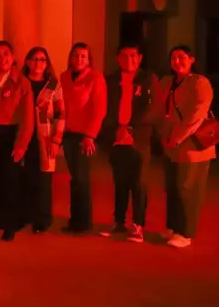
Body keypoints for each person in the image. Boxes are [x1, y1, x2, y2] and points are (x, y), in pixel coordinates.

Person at [100, 43, 159, 243]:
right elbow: (104, 107)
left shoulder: (148, 79)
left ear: (140, 57)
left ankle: (138, 225)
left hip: (138, 139)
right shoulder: (110, 80)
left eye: (133, 55)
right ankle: (118, 222)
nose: (129, 59)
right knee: (120, 182)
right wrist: (116, 130)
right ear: (118, 59)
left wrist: (130, 128)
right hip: (117, 138)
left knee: (139, 182)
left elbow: (153, 108)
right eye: (124, 56)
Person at [159, 46, 214, 248]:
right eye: (173, 58)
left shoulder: (199, 82)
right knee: (172, 188)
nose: (177, 61)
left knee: (189, 190)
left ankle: (185, 232)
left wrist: (178, 137)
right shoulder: (168, 81)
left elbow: (197, 114)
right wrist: (165, 137)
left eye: (181, 57)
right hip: (171, 144)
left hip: (193, 147)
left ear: (192, 59)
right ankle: (173, 227)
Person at [0, 41, 33, 241]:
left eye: (6, 54)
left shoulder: (21, 82)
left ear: (12, 57)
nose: (2, 59)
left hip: (10, 136)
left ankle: (9, 225)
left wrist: (21, 145)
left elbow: (28, 119)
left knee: (9, 182)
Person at [60, 42, 107, 235]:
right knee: (75, 178)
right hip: (68, 133)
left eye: (83, 56)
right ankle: (75, 220)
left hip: (85, 135)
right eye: (76, 55)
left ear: (89, 60)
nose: (79, 59)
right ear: (70, 57)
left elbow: (99, 109)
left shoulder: (96, 78)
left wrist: (90, 135)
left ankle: (83, 223)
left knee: (82, 179)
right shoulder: (64, 77)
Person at [20, 47, 65, 234]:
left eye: (42, 60)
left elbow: (61, 114)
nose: (38, 63)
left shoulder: (54, 85)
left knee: (43, 180)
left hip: (45, 138)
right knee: (24, 177)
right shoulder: (20, 83)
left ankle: (42, 219)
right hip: (23, 136)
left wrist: (56, 140)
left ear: (47, 64)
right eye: (35, 59)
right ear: (28, 62)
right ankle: (24, 215)